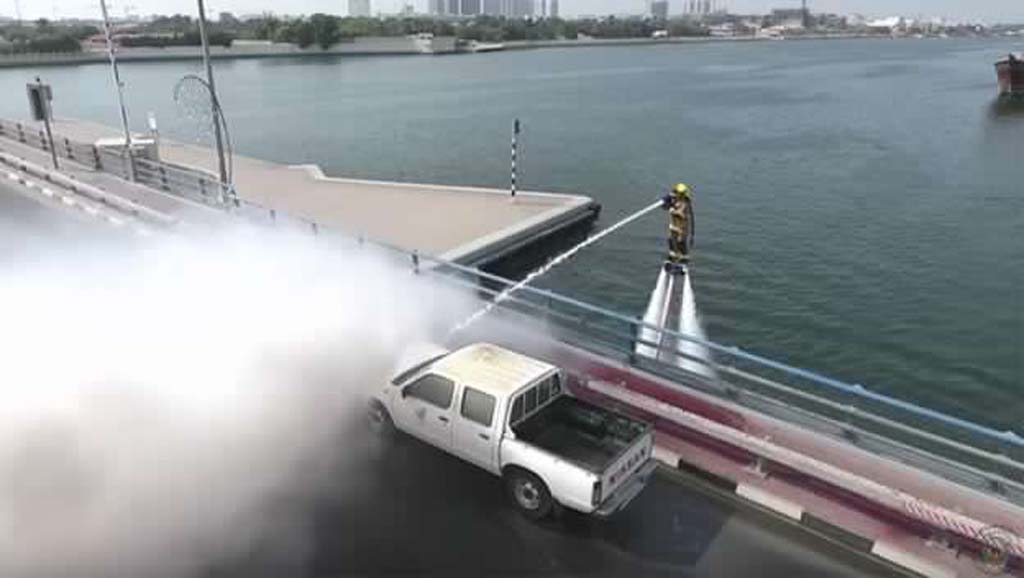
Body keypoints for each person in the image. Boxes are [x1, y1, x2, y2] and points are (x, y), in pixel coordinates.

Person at [662, 183, 695, 271]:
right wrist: (666, 199)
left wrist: (672, 210)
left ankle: (683, 263)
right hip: (673, 227)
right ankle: (671, 259)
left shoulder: (686, 203)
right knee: (671, 241)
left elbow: (681, 214)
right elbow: (664, 206)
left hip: (682, 228)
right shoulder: (674, 199)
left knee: (681, 243)